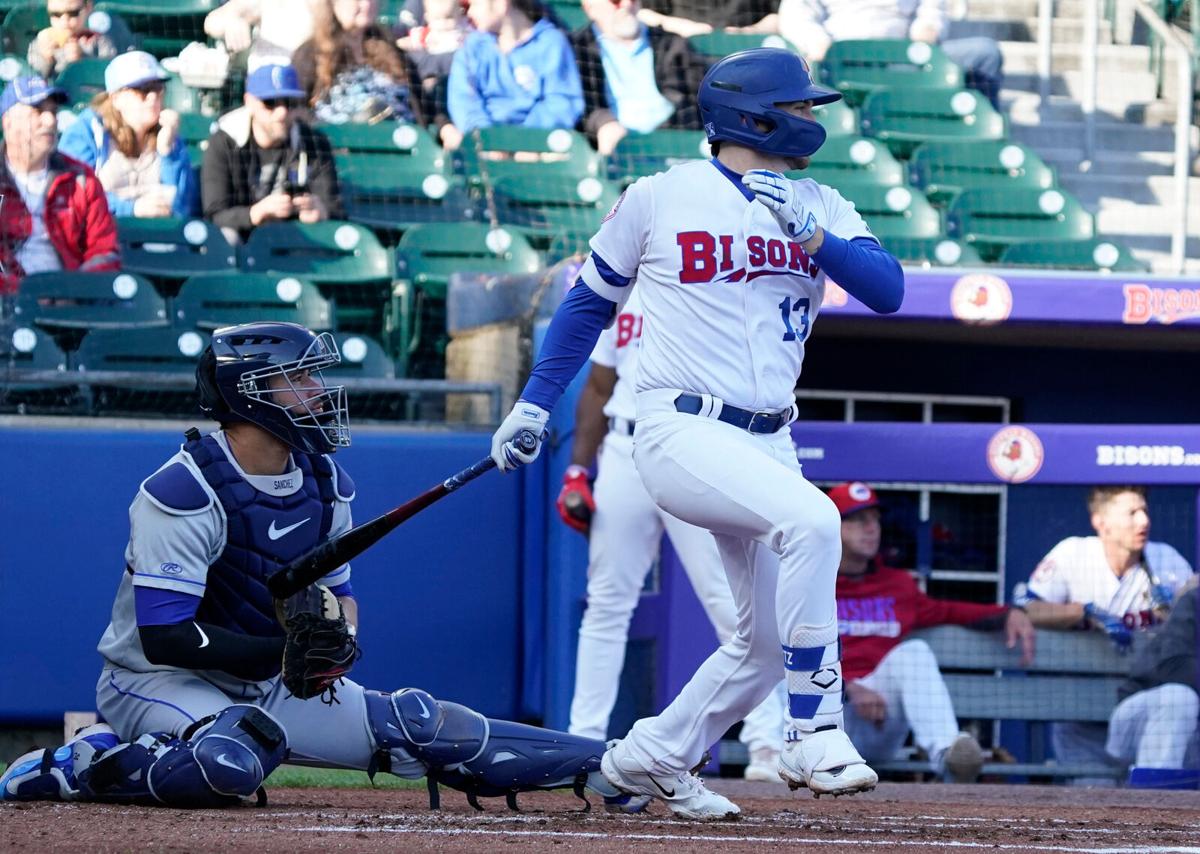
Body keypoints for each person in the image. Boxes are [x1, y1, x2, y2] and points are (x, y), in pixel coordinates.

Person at [490, 47, 905, 819]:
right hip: (678, 426)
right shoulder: (660, 195)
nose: (814, 117)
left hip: (769, 436)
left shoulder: (822, 202)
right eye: (802, 105)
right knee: (816, 519)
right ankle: (813, 726)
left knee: (756, 646)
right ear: (755, 115)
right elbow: (587, 304)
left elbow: (889, 291)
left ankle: (648, 756)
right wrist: (536, 403)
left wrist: (819, 239)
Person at [0, 321, 626, 811]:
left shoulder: (326, 484)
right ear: (250, 394)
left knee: (426, 727)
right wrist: (283, 651)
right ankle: (84, 762)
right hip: (154, 682)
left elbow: (339, 596)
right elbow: (165, 636)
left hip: (266, 682)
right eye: (299, 380)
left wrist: (339, 641)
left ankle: (617, 761)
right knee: (229, 761)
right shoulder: (183, 490)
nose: (320, 392)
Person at [559, 287, 786, 783]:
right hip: (623, 447)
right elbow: (599, 386)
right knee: (606, 603)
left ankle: (769, 742)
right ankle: (584, 738)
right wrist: (578, 469)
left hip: (691, 445)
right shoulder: (622, 289)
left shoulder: (711, 281)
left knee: (732, 604)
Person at [829, 481, 1036, 783]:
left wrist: (1008, 613)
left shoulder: (897, 584)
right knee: (774, 653)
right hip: (821, 716)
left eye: (875, 519)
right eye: (858, 520)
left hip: (877, 720)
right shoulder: (812, 579)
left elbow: (948, 611)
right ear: (832, 527)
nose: (871, 528)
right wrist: (845, 688)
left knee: (914, 652)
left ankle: (949, 756)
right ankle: (768, 759)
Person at [1018, 485, 1195, 784]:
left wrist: (1178, 608)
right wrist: (1082, 612)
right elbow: (1026, 608)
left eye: (1144, 511)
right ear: (1101, 522)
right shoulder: (1073, 554)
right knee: (1094, 805)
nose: (1143, 521)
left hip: (1140, 713)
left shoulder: (1166, 561)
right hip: (1081, 720)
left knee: (1178, 699)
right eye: (1131, 513)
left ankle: (1154, 813)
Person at [0, 75, 119, 292]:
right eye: (37, 111)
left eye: (53, 112)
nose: (50, 121)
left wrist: (74, 291)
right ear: (7, 121)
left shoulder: (81, 179)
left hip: (70, 304)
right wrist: (26, 293)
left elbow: (104, 251)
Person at [201, 64, 342, 245]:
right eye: (270, 103)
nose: (282, 112)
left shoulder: (313, 142)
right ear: (249, 102)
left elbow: (335, 208)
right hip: (243, 238)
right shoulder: (224, 141)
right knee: (226, 238)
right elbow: (214, 215)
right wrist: (255, 213)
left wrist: (322, 211)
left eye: (289, 102)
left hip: (296, 238)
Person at [776, 0, 1005, 109]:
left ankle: (983, 133)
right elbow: (796, 14)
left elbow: (932, 11)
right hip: (843, 61)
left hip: (905, 60)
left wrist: (927, 31)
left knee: (984, 53)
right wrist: (819, 43)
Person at [58, 52, 199, 221]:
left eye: (158, 88)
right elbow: (74, 194)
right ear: (116, 98)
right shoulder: (86, 132)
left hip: (158, 238)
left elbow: (183, 208)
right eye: (143, 90)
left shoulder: (168, 134)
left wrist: (168, 153)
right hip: (100, 235)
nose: (153, 97)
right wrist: (132, 209)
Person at [569, 0, 706, 155]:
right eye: (616, 1)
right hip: (613, 149)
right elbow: (579, 107)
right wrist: (602, 122)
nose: (627, 5)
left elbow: (695, 100)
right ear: (590, 8)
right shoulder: (576, 49)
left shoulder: (671, 44)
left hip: (673, 144)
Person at [442, 0, 583, 150]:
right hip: (484, 150)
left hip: (539, 150)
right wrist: (489, 142)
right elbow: (465, 103)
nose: (469, 13)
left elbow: (561, 102)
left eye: (475, 4)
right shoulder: (471, 48)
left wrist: (524, 143)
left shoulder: (552, 43)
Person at [1105, 578, 1199, 784]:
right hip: (1139, 718)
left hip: (1190, 739)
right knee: (1180, 698)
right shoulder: (1195, 600)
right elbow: (1174, 666)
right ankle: (1154, 801)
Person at [291, 0, 428, 126]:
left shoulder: (392, 49)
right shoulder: (310, 54)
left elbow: (423, 104)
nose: (367, 4)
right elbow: (295, 108)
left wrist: (443, 127)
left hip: (402, 145)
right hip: (339, 146)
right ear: (333, 4)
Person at [203, 0, 320, 71]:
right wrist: (232, 19)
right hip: (263, 92)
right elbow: (212, 22)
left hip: (304, 88)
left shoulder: (321, 5)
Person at [28, 0, 117, 80]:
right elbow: (32, 80)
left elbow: (107, 77)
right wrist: (46, 59)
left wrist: (82, 59)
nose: (64, 21)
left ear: (88, 8)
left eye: (73, 13)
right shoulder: (41, 43)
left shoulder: (100, 41)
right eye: (56, 14)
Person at [636, 0, 779, 39]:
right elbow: (643, 13)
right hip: (684, 60)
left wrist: (753, 31)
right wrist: (681, 27)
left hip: (748, 55)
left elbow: (781, 16)